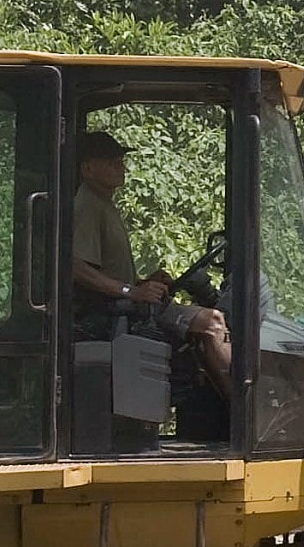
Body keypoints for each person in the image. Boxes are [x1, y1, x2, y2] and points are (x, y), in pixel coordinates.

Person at [71, 128, 233, 405]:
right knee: (213, 324)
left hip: (124, 306)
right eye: (111, 162)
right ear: (88, 169)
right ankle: (247, 413)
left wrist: (144, 283)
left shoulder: (103, 204)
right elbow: (76, 268)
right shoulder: (87, 205)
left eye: (121, 160)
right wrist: (131, 292)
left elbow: (107, 273)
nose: (121, 167)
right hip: (110, 316)